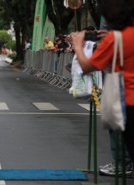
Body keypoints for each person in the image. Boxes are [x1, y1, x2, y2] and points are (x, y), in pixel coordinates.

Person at [71, 0, 134, 175]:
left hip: (126, 102)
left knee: (119, 132)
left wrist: (78, 47)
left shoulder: (116, 39)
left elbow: (87, 65)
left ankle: (122, 164)